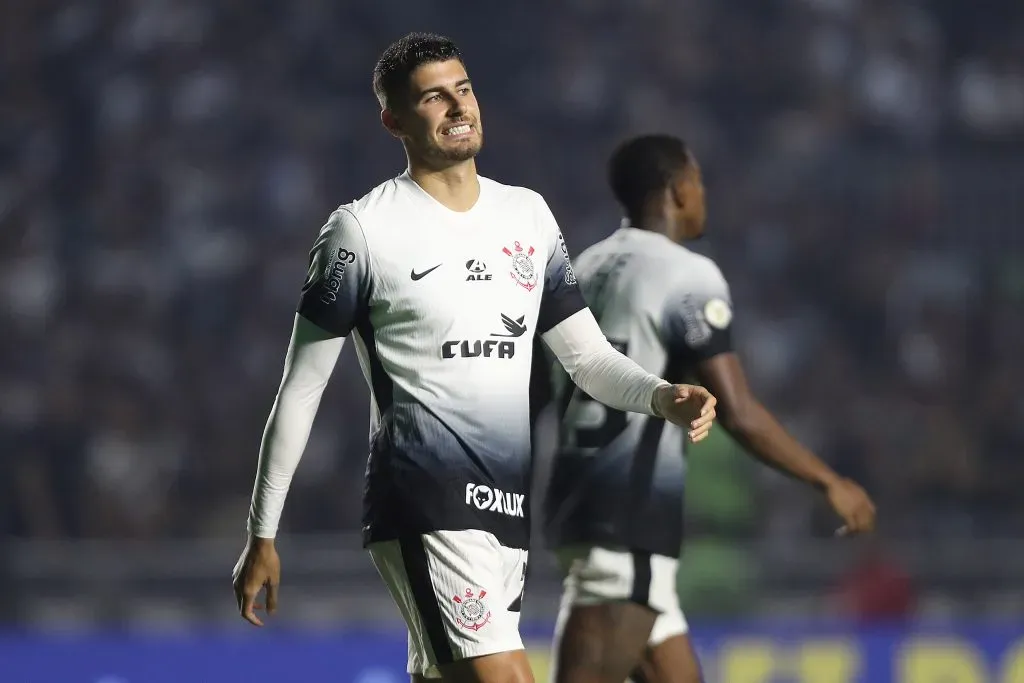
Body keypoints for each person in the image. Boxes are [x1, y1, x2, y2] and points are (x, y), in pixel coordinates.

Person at [230, 35, 718, 683]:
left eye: (463, 88)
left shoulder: (527, 216)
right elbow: (301, 388)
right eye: (434, 97)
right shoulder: (361, 231)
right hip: (425, 503)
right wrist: (262, 532)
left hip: (506, 511)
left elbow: (586, 358)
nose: (458, 106)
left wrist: (660, 395)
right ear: (394, 121)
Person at [537, 134, 877, 683]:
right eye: (697, 182)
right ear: (676, 191)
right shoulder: (686, 274)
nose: (703, 195)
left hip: (577, 501)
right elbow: (738, 411)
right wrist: (828, 480)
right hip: (628, 513)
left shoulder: (584, 265)